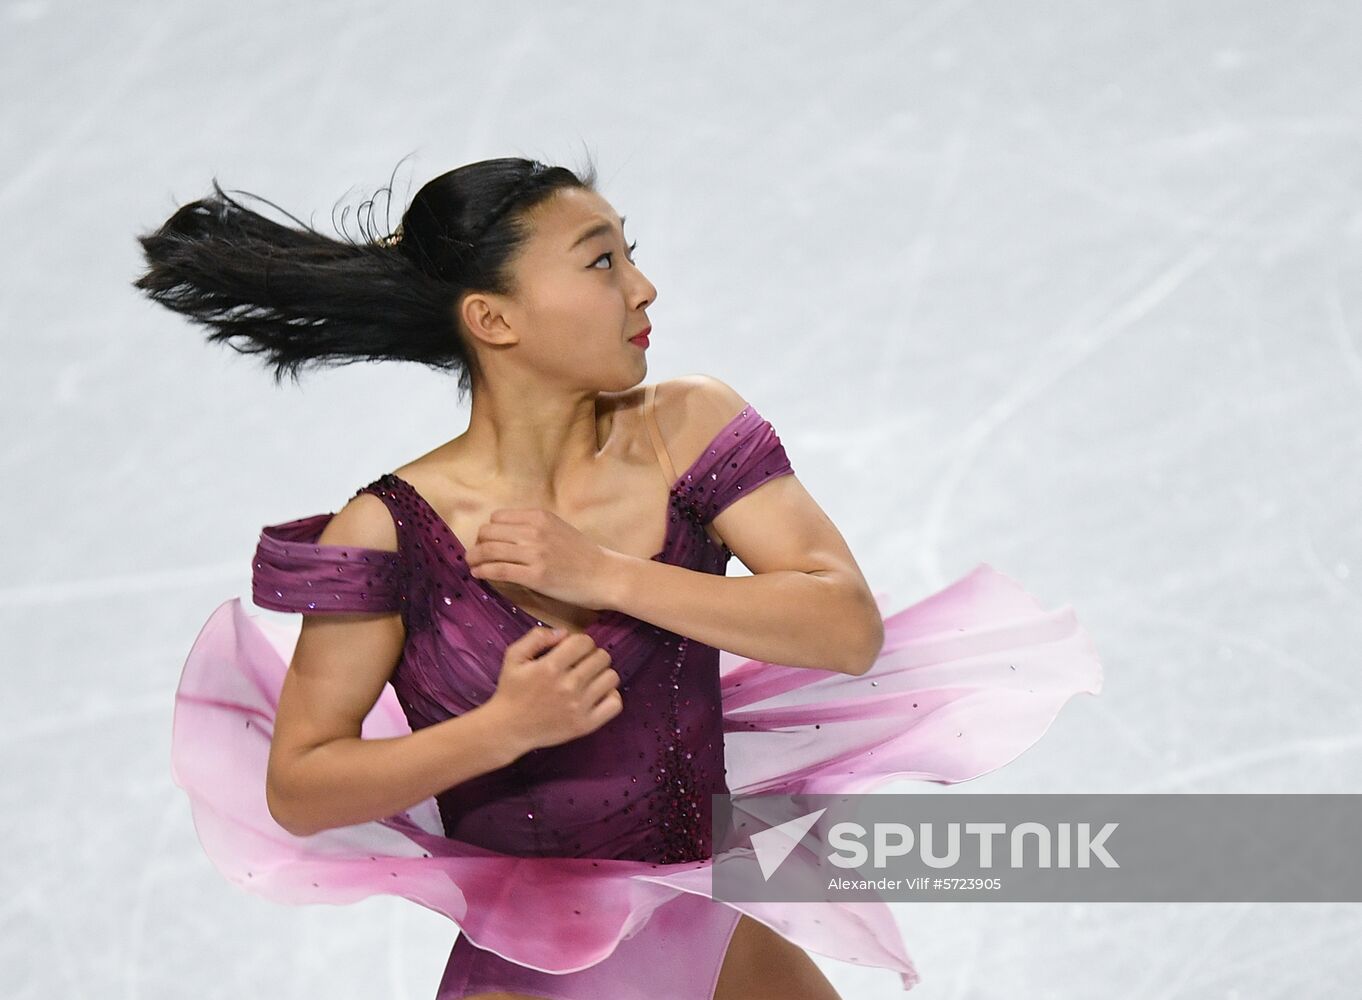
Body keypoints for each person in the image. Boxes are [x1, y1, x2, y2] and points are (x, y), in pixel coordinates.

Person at [133, 155, 1105, 999]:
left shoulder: (686, 426)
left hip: (719, 935)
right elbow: (301, 786)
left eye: (629, 253)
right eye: (602, 261)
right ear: (493, 318)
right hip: (535, 967)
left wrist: (606, 575)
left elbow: (842, 626)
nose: (644, 289)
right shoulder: (390, 531)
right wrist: (500, 730)